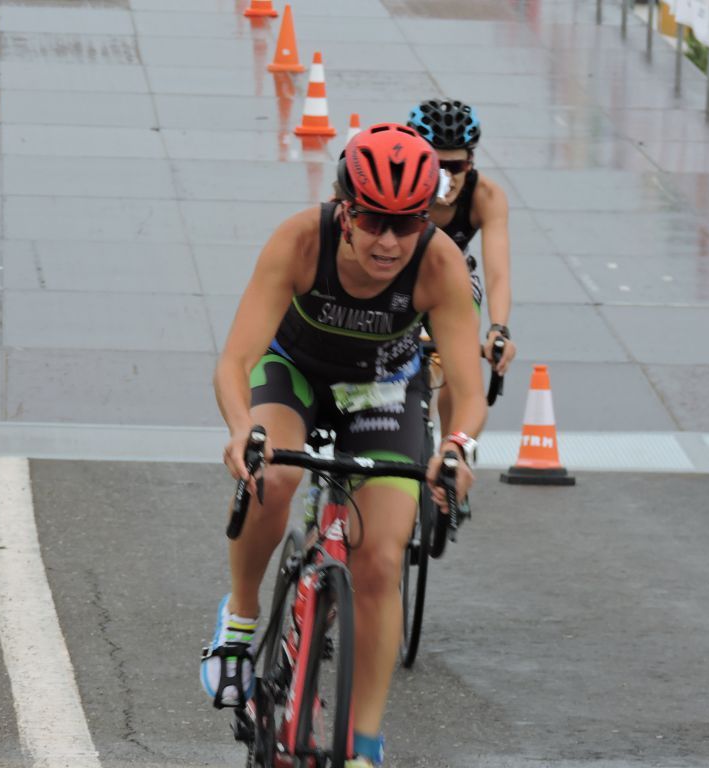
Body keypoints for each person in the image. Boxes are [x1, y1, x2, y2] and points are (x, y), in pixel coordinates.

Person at [201, 123, 486, 768]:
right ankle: (239, 624)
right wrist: (240, 427)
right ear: (345, 209)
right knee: (272, 480)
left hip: (382, 391)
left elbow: (468, 390)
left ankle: (362, 743)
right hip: (295, 375)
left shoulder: (437, 261)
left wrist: (459, 446)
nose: (389, 241)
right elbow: (234, 359)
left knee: (381, 562)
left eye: (406, 224)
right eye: (374, 221)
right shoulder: (302, 241)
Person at [406, 99, 516, 433]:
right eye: (434, 165)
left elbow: (498, 273)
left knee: (461, 368)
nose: (446, 178)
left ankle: (453, 458)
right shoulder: (398, 183)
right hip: (400, 274)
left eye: (455, 167)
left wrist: (499, 329)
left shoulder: (486, 195)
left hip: (453, 277)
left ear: (471, 162)